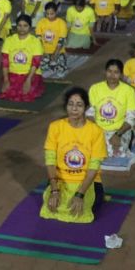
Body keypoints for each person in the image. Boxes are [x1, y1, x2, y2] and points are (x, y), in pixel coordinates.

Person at [41, 87, 107, 223]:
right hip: (60, 182)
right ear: (66, 107)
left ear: (86, 107)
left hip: (87, 183)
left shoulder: (96, 131)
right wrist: (54, 190)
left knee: (84, 208)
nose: (74, 109)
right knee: (52, 206)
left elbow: (94, 167)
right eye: (71, 104)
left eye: (79, 105)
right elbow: (50, 160)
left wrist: (80, 194)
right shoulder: (55, 127)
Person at [87, 59, 135, 157]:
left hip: (119, 130)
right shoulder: (95, 88)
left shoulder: (129, 91)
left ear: (121, 75)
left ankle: (130, 136)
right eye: (109, 71)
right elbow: (90, 113)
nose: (112, 75)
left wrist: (117, 135)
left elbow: (132, 118)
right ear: (105, 72)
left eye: (116, 72)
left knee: (117, 153)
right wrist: (98, 132)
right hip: (99, 130)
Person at [0, 14, 45, 102]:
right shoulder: (9, 40)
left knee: (26, 94)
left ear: (30, 27)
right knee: (7, 93)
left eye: (25, 26)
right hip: (13, 73)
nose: (22, 28)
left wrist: (28, 80)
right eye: (19, 26)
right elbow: (5, 61)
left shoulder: (35, 42)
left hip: (30, 74)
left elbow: (36, 63)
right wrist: (6, 79)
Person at [35, 2, 68, 76]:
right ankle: (50, 66)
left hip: (58, 51)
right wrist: (42, 52)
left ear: (56, 12)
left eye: (52, 14)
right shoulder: (41, 22)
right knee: (37, 68)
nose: (49, 16)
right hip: (44, 52)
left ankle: (54, 65)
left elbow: (61, 41)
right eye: (47, 14)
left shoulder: (61, 23)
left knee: (61, 71)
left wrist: (55, 54)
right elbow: (38, 39)